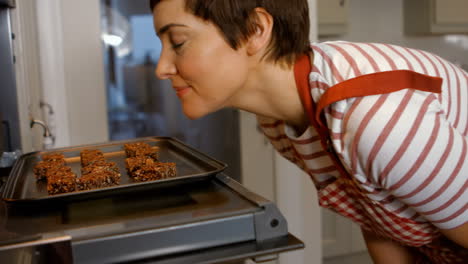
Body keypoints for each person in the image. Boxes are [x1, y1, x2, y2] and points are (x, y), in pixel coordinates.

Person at [149, 0, 468, 263]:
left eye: (178, 42)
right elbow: (377, 215)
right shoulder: (277, 123)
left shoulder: (375, 117)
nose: (161, 67)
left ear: (254, 30)